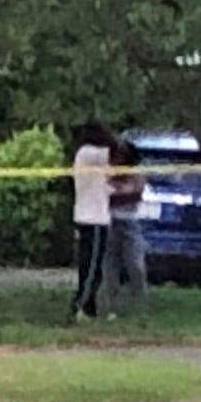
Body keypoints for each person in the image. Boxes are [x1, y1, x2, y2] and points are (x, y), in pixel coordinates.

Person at [70, 123, 117, 321]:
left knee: (94, 267)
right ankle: (79, 306)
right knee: (90, 267)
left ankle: (90, 308)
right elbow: (116, 149)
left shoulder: (96, 164)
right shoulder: (88, 153)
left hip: (95, 217)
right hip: (93, 219)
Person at [102, 139, 148, 315]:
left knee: (135, 264)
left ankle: (139, 301)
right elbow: (105, 191)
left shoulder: (136, 173)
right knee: (110, 265)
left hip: (130, 222)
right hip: (109, 222)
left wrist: (115, 189)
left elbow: (134, 192)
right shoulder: (107, 171)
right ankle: (112, 303)